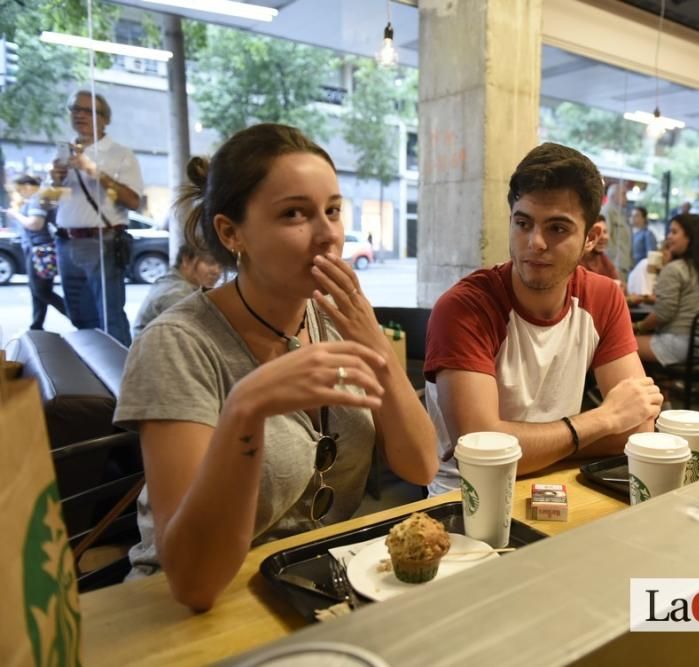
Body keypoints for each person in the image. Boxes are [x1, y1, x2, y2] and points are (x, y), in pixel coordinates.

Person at [112, 124, 438, 610]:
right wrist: (246, 409)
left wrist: (376, 347)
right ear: (230, 232)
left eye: (332, 210)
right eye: (294, 214)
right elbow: (194, 584)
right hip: (194, 609)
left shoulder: (335, 320)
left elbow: (421, 463)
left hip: (313, 588)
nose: (328, 234)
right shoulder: (177, 345)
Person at [423, 143, 661, 495]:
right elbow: (480, 452)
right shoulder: (464, 308)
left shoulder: (603, 298)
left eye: (557, 229)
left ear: (591, 238)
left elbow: (638, 428)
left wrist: (525, 444)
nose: (534, 242)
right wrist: (603, 419)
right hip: (468, 498)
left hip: (561, 484)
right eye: (523, 223)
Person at [50, 91, 144, 346]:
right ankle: (91, 373)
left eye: (88, 110)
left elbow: (133, 201)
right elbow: (46, 203)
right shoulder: (63, 154)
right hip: (66, 242)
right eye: (75, 109)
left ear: (105, 119)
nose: (80, 115)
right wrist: (54, 181)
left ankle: (120, 379)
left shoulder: (120, 154)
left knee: (109, 317)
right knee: (79, 316)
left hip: (102, 241)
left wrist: (93, 171)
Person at [635, 213, 699, 367]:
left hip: (682, 345)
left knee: (620, 347)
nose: (668, 237)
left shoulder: (675, 269)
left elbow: (663, 314)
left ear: (689, 237)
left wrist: (637, 327)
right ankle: (669, 388)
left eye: (674, 232)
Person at [3, 175, 67, 330]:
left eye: (18, 190)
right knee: (37, 290)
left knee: (41, 290)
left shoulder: (37, 200)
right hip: (40, 250)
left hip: (40, 251)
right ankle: (37, 325)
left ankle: (76, 317)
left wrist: (16, 215)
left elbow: (35, 224)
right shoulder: (38, 199)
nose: (18, 194)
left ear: (26, 186)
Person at [131, 243, 223, 338]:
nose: (216, 271)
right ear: (186, 260)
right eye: (210, 263)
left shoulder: (171, 282)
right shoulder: (177, 295)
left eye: (221, 266)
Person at [602, 182, 632, 278]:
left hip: (622, 265)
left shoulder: (621, 214)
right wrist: (610, 265)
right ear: (613, 195)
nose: (626, 198)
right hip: (614, 266)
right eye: (623, 194)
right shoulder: (607, 212)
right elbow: (604, 240)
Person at [578, 214, 620, 282]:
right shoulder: (575, 262)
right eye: (597, 232)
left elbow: (619, 285)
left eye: (605, 232)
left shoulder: (604, 261)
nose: (603, 237)